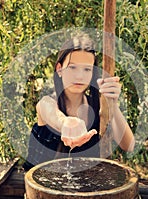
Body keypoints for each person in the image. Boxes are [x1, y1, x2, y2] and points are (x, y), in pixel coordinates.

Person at [23, 32, 135, 171]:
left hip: (83, 188)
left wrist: (113, 105)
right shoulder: (47, 103)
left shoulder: (98, 107)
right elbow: (52, 114)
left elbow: (128, 146)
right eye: (72, 67)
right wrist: (66, 123)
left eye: (87, 69)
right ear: (59, 69)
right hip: (40, 189)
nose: (80, 76)